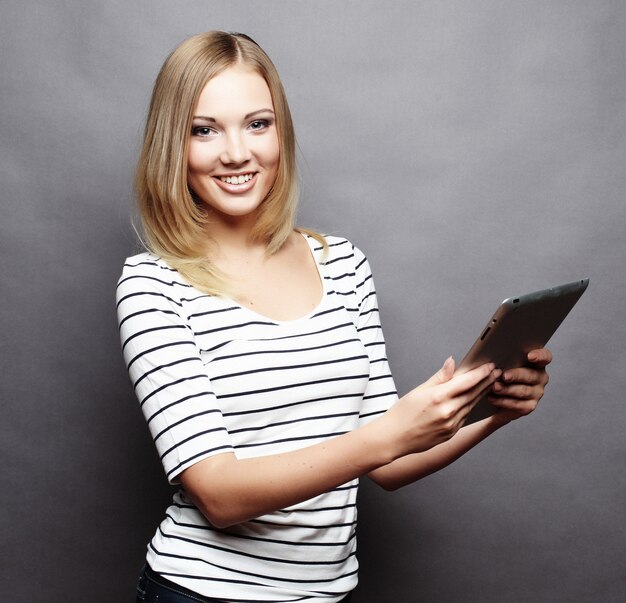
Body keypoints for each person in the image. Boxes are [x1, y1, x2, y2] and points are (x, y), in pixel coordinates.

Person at [116, 31, 552, 603]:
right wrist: (385, 437)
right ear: (173, 144)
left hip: (328, 594)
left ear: (281, 133)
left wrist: (493, 413)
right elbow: (219, 496)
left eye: (257, 123)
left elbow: (390, 463)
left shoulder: (341, 263)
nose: (236, 153)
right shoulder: (153, 284)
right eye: (204, 130)